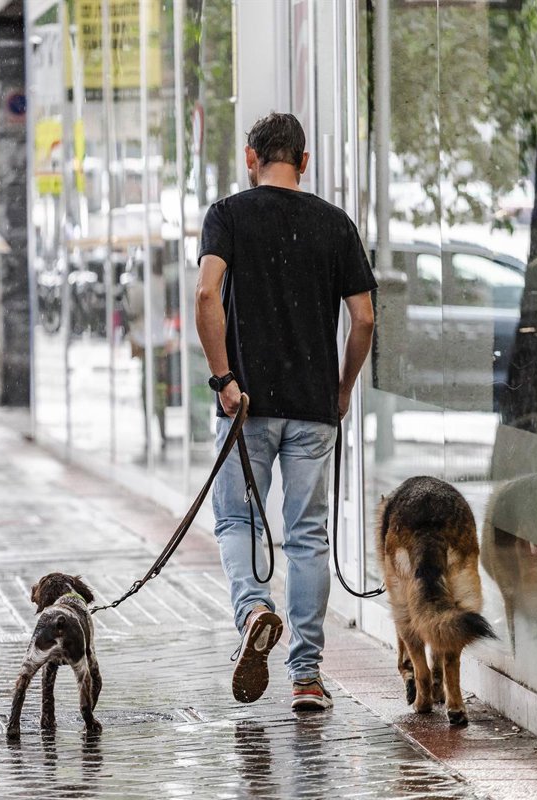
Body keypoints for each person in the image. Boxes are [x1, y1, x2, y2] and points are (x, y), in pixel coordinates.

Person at [195, 112, 376, 711]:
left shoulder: (228, 215)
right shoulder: (334, 224)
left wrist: (224, 377)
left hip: (245, 406)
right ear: (304, 161)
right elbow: (366, 318)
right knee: (306, 537)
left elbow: (204, 294)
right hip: (312, 407)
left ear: (251, 157)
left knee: (237, 522)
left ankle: (253, 609)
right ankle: (306, 676)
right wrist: (342, 388)